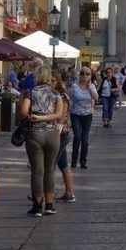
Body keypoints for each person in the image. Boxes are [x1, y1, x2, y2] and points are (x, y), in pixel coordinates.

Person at [20, 65, 67, 217]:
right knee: (50, 170)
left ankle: (37, 206)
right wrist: (46, 117)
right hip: (53, 134)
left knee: (37, 171)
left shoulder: (30, 92)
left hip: (35, 133)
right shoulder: (56, 94)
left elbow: (23, 112)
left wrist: (37, 117)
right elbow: (59, 115)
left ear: (36, 77)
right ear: (48, 77)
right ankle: (50, 205)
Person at [66, 69, 96, 169]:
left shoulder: (91, 86)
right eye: (82, 73)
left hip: (87, 115)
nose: (85, 76)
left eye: (87, 74)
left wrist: (90, 89)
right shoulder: (74, 87)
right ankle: (74, 161)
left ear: (90, 76)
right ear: (79, 75)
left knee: (85, 139)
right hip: (75, 114)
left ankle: (83, 161)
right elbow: (67, 98)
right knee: (77, 137)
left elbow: (96, 98)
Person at [54, 73, 77, 203]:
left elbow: (61, 118)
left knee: (50, 165)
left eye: (52, 80)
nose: (49, 83)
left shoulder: (61, 96)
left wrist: (55, 133)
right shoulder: (57, 95)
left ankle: (44, 196)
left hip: (61, 133)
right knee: (63, 164)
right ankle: (69, 193)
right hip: (61, 133)